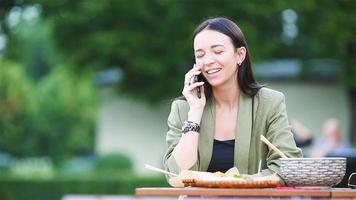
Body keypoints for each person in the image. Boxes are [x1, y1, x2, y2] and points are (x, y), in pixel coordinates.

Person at [163, 17, 302, 182]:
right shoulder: (183, 108)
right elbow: (176, 174)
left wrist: (238, 182)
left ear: (240, 55)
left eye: (218, 51)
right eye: (200, 55)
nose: (207, 61)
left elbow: (287, 167)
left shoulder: (269, 103)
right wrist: (195, 113)